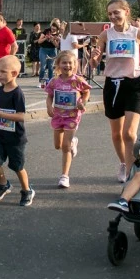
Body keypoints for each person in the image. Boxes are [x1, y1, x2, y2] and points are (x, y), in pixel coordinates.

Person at [89, 0, 140, 183]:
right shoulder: (105, 35)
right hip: (113, 84)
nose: (113, 16)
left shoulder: (138, 33)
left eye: (116, 12)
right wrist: (93, 58)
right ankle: (124, 163)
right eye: (110, 14)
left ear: (126, 11)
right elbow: (95, 62)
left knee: (129, 134)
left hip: (134, 83)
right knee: (117, 134)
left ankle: (133, 173)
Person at [0, 55, 34, 206]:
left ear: (14, 73)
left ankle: (27, 190)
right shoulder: (0, 90)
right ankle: (3, 184)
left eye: (3, 71)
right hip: (0, 135)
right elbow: (3, 110)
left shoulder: (17, 93)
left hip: (15, 138)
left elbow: (21, 116)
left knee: (17, 167)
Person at [45, 50, 91, 188]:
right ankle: (73, 143)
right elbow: (49, 96)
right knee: (58, 145)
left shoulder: (78, 80)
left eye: (70, 63)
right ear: (59, 64)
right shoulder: (54, 81)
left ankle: (64, 176)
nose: (67, 65)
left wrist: (82, 101)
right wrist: (48, 107)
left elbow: (86, 91)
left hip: (72, 116)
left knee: (65, 147)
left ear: (75, 65)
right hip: (58, 116)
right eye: (64, 62)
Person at [37, 22, 60, 86]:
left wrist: (53, 40)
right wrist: (45, 38)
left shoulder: (58, 34)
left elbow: (57, 46)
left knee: (51, 67)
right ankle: (41, 81)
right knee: (43, 66)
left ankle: (50, 82)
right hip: (43, 49)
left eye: (54, 29)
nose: (52, 30)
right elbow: (39, 41)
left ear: (57, 29)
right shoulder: (46, 31)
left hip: (52, 50)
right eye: (52, 28)